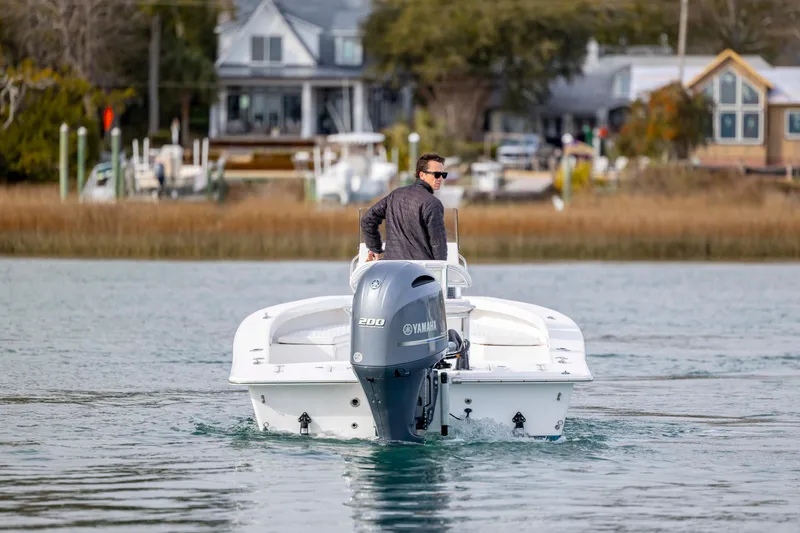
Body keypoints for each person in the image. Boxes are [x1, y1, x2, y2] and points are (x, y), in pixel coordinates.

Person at [360, 152, 448, 262]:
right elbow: (438, 244)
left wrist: (375, 249)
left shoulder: (395, 194)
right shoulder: (432, 203)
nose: (440, 178)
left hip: (390, 267)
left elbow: (367, 219)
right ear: (422, 175)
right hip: (420, 271)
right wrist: (440, 272)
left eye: (443, 175)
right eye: (436, 174)